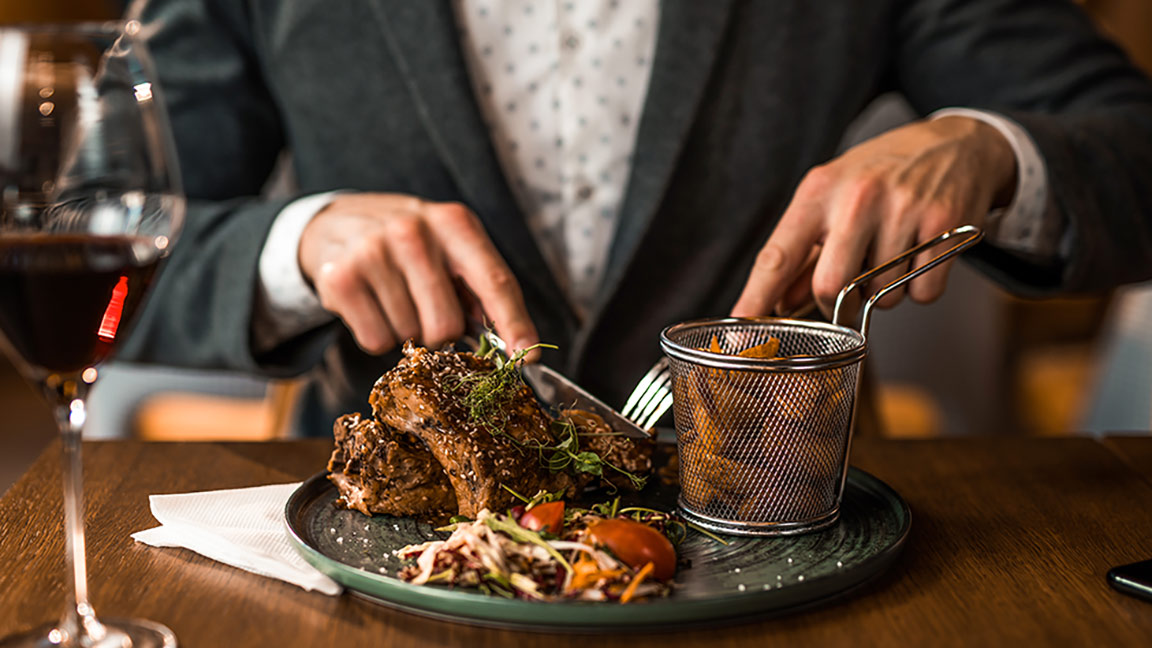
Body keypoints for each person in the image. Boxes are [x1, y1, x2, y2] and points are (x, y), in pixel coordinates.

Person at [121, 0, 1152, 430]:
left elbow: (1131, 142)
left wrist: (989, 148)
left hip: (779, 535)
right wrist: (294, 246)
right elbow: (85, 234)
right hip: (391, 564)